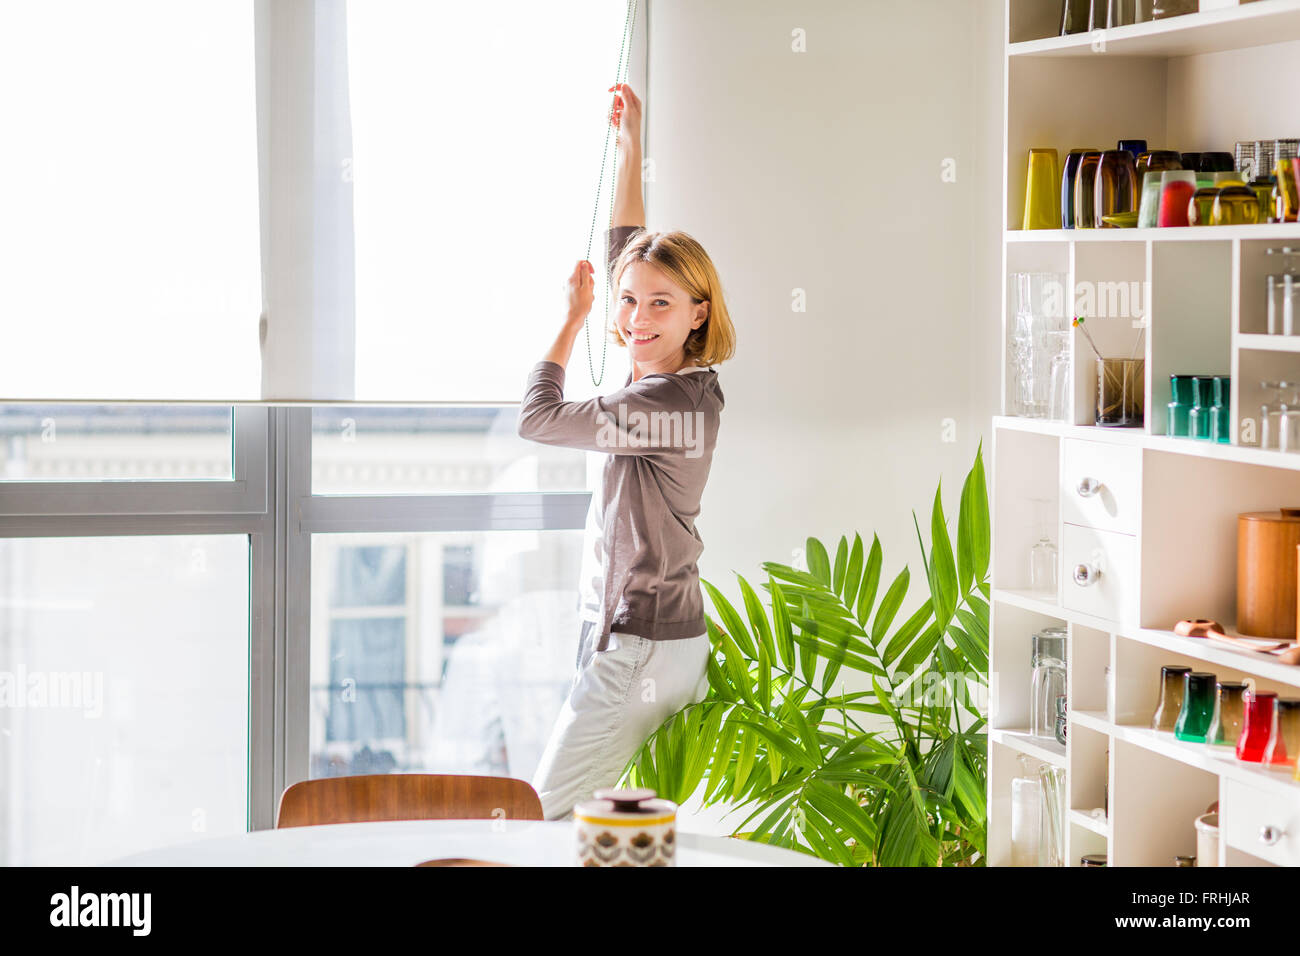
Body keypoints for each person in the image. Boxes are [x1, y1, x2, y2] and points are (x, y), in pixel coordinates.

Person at [516, 82, 736, 820]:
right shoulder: (676, 381)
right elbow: (628, 249)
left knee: (543, 815)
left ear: (699, 312)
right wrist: (630, 145)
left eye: (660, 304)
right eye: (627, 301)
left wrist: (572, 323)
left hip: (639, 643)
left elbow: (539, 418)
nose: (636, 318)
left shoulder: (660, 406)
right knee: (614, 828)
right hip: (647, 633)